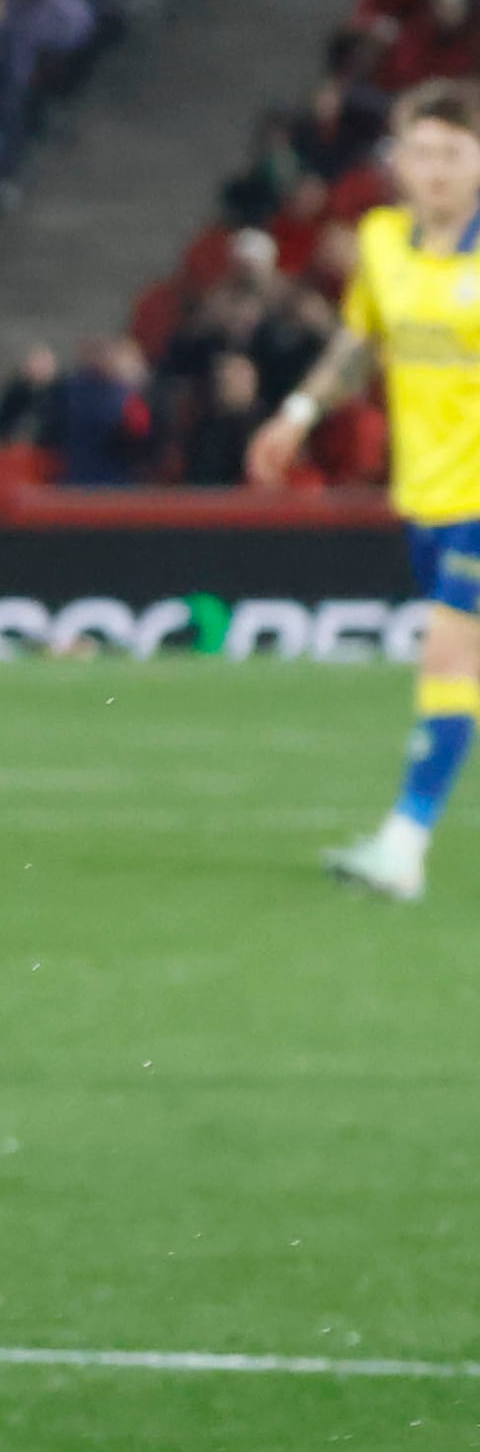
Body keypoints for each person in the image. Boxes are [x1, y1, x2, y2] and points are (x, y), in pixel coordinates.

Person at [255, 76, 480, 899]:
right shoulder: (382, 241)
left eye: (452, 153)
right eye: (421, 151)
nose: (435, 169)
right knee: (464, 665)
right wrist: (298, 413)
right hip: (426, 491)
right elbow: (359, 341)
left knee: (450, 651)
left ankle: (403, 843)